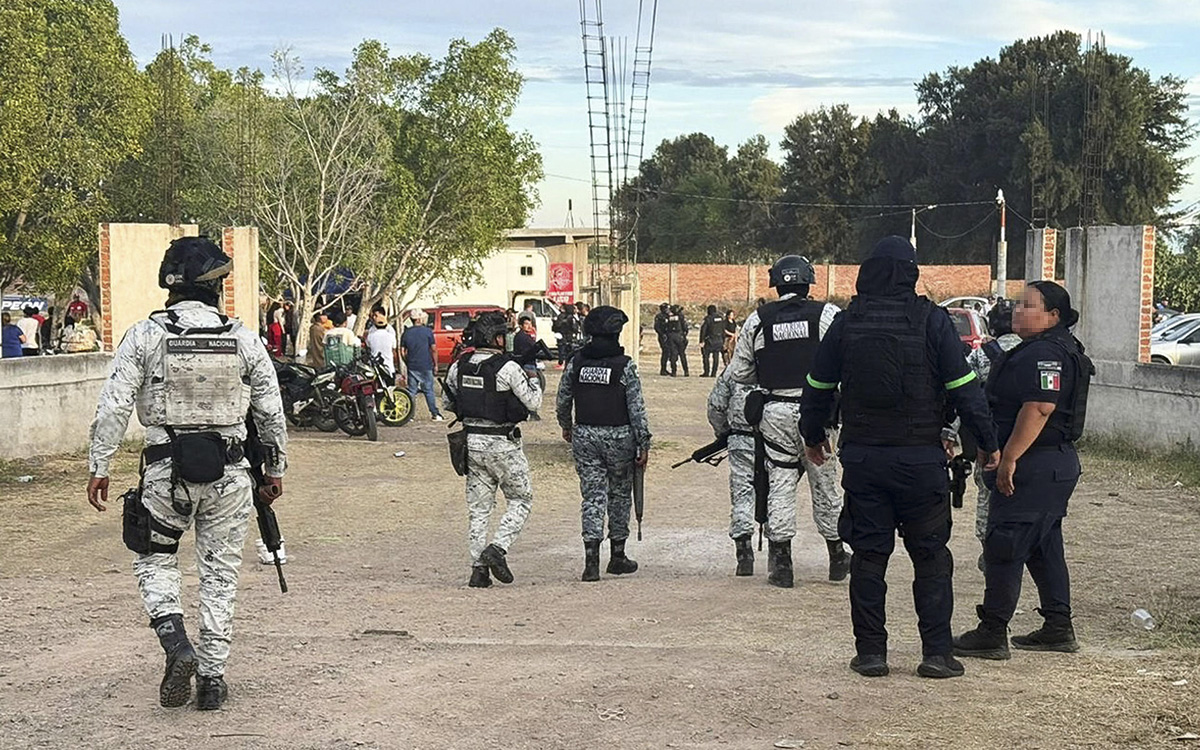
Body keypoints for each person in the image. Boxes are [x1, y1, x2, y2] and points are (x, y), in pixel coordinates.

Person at [85, 236, 288, 710]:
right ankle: (213, 680)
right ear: (215, 286)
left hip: (164, 471)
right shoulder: (242, 337)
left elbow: (113, 405)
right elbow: (271, 411)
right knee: (220, 574)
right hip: (232, 473)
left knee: (155, 560)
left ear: (170, 286)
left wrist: (100, 465)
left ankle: (177, 643)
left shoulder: (145, 335)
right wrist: (275, 468)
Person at [800, 236, 999, 680]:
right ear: (911, 272)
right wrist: (987, 440)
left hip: (866, 461)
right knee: (930, 556)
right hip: (921, 460)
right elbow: (964, 388)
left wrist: (813, 435)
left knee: (869, 556)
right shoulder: (932, 320)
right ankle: (937, 654)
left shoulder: (848, 322)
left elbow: (816, 386)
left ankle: (871, 654)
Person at [953, 282, 1092, 661]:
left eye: (1028, 306)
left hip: (1035, 463)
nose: (1017, 311)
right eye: (1017, 304)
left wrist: (1009, 457)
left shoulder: (1046, 353)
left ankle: (992, 631)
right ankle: (1058, 627)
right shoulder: (1047, 348)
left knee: (1005, 544)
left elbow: (1040, 408)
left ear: (1053, 316)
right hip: (1050, 464)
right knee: (1044, 546)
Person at [729, 255, 849, 588]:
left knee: (779, 482)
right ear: (808, 282)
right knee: (824, 482)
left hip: (775, 412)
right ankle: (837, 556)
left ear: (776, 284)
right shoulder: (827, 314)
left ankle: (781, 562)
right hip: (818, 412)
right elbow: (845, 357)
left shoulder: (758, 319)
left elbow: (740, 372)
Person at [443, 311, 543, 587]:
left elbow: (448, 403)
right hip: (503, 444)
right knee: (521, 500)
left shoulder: (459, 366)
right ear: (496, 337)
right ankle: (497, 549)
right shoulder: (508, 368)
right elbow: (533, 403)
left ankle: (478, 570)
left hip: (471, 444)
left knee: (479, 510)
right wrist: (532, 376)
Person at [556, 306, 651, 581]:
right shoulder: (625, 365)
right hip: (620, 437)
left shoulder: (576, 362)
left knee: (592, 497)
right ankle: (617, 555)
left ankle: (591, 561)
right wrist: (643, 442)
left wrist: (566, 425)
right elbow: (636, 408)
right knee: (620, 495)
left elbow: (563, 398)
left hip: (584, 435)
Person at [943, 298, 1021, 570]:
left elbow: (964, 397)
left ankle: (989, 552)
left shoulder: (981, 355)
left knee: (987, 495)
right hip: (1028, 440)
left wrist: (948, 434)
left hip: (991, 439)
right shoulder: (1035, 352)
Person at [707, 368, 758, 575]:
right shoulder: (781, 360)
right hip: (774, 439)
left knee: (742, 493)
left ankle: (744, 552)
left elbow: (715, 406)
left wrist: (723, 433)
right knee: (777, 492)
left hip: (740, 438)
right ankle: (780, 555)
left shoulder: (734, 369)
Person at [401, 309, 443, 421]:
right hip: (426, 364)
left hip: (412, 365)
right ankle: (435, 413)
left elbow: (402, 351)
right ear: (419, 319)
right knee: (428, 390)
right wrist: (436, 364)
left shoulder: (406, 333)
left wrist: (407, 362)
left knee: (412, 391)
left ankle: (410, 415)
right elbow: (434, 349)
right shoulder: (428, 332)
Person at [364, 305, 401, 381]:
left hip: (385, 366)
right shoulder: (389, 335)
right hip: (381, 367)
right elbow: (394, 348)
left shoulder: (389, 331)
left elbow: (368, 345)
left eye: (376, 315)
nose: (374, 317)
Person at [699, 305, 726, 377]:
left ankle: (706, 372)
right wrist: (723, 340)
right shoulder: (721, 318)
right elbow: (723, 330)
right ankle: (714, 373)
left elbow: (703, 330)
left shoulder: (708, 319)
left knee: (706, 356)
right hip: (719, 340)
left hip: (710, 340)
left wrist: (701, 340)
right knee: (716, 357)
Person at [665, 305, 690, 377]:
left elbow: (666, 327)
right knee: (682, 354)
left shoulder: (669, 317)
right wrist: (685, 335)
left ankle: (674, 372)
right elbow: (685, 327)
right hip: (679, 336)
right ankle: (686, 371)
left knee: (673, 354)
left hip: (671, 336)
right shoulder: (680, 316)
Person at [653, 302, 670, 376]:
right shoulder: (659, 316)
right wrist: (662, 334)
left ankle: (665, 369)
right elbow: (656, 327)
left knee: (668, 353)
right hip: (662, 336)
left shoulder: (669, 316)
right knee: (665, 352)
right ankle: (663, 369)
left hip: (669, 335)